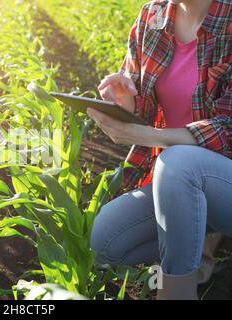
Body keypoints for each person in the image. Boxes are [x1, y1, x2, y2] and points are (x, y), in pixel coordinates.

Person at [87, 0, 232, 300]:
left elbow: (228, 128)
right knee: (106, 239)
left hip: (216, 175)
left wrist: (148, 135)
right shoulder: (152, 16)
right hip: (177, 182)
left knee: (179, 163)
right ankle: (202, 235)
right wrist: (128, 104)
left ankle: (176, 293)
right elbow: (144, 99)